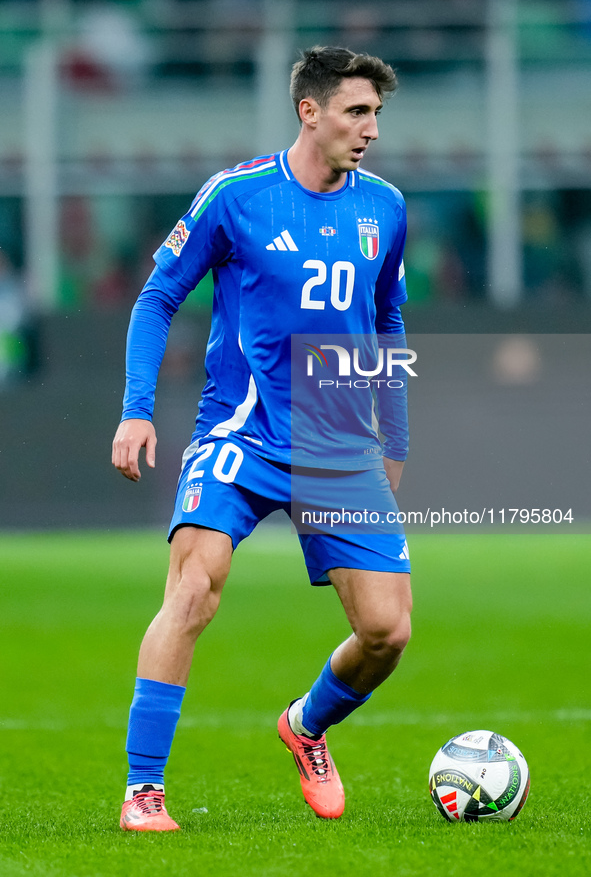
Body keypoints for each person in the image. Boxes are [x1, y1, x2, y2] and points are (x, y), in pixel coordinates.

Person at [112, 46, 413, 832]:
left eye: (376, 113)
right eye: (356, 111)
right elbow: (157, 297)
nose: (370, 128)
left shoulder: (385, 207)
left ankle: (306, 723)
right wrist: (137, 408)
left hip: (338, 445)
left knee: (386, 631)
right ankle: (144, 789)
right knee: (194, 587)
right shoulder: (237, 195)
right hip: (239, 433)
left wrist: (396, 433)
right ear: (308, 112)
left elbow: (388, 320)